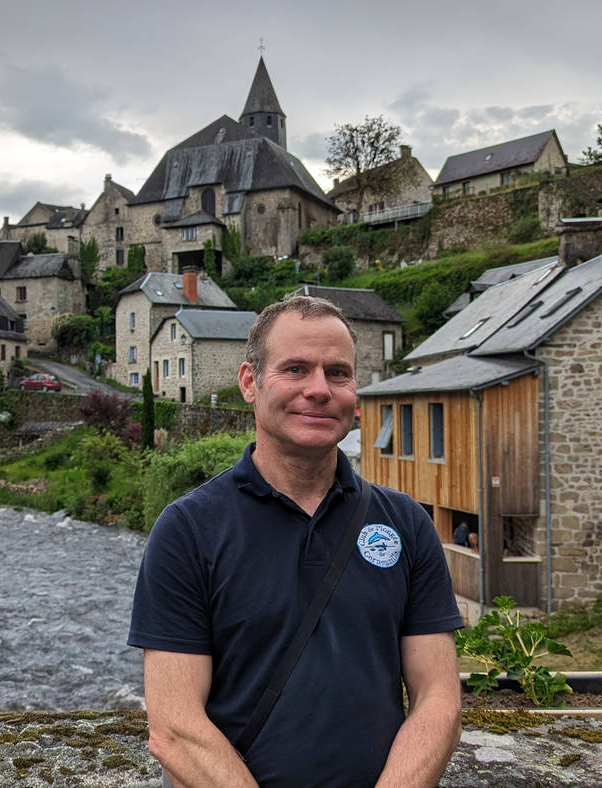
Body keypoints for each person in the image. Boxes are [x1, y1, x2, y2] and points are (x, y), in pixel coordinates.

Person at [128, 296, 464, 787]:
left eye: (338, 373)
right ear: (250, 382)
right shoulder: (189, 529)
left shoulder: (406, 524)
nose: (319, 389)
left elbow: (438, 698)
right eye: (296, 369)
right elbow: (174, 727)